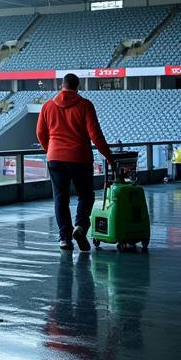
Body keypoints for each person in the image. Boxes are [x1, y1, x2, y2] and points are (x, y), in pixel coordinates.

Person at [36, 73, 114, 251]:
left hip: (55, 158)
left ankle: (65, 238)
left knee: (60, 198)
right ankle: (80, 227)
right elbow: (95, 136)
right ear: (78, 87)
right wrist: (109, 157)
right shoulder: (85, 105)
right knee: (86, 196)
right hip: (80, 157)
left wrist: (50, 150)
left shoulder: (47, 106)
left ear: (62, 86)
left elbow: (40, 133)